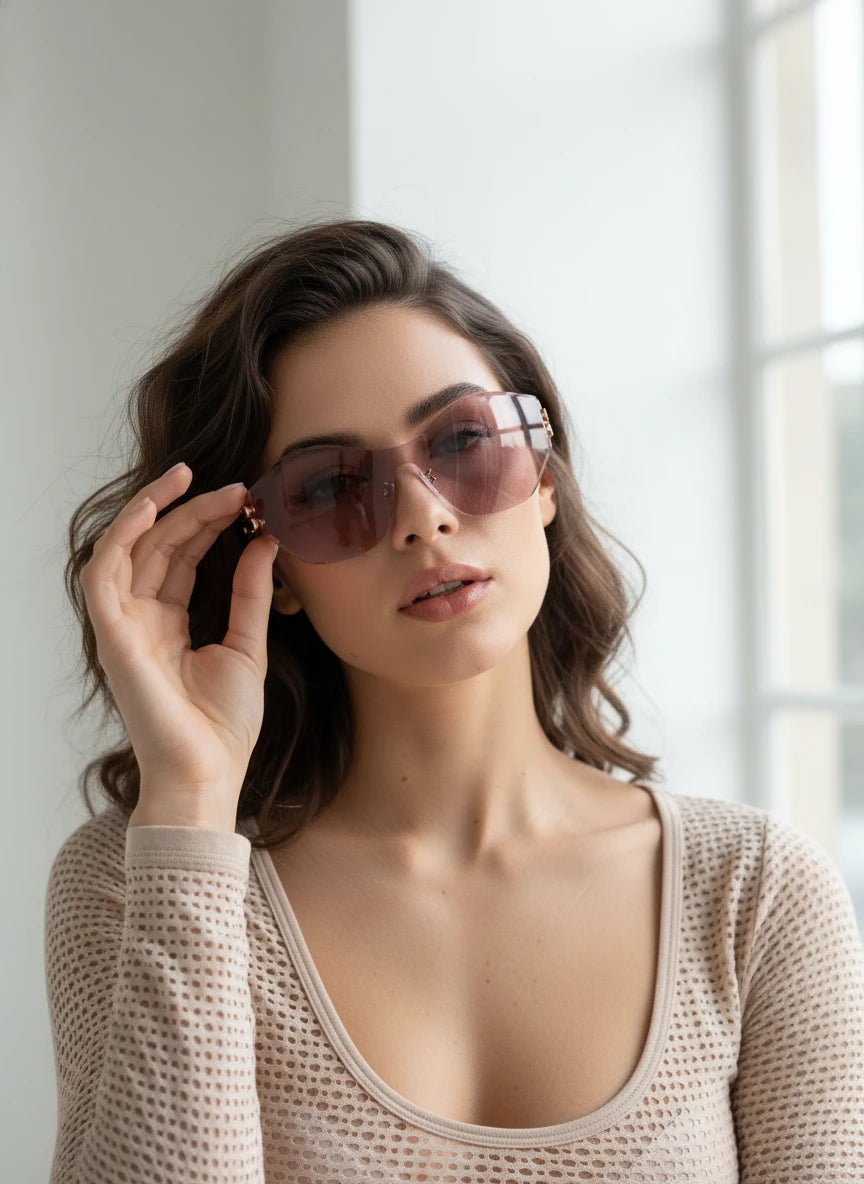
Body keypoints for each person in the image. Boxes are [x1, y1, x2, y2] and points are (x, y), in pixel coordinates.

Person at [45, 218, 864, 1183]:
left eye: (466, 441)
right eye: (334, 486)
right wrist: (188, 797)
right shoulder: (139, 882)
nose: (425, 515)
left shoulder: (753, 893)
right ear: (274, 567)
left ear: (546, 478)